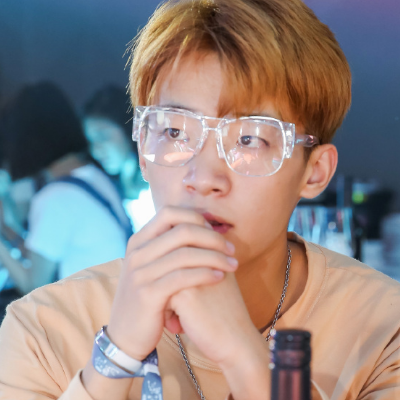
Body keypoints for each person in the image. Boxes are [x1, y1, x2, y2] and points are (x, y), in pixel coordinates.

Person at [0, 1, 399, 399]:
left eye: (249, 139)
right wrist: (117, 354)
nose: (204, 178)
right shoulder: (43, 328)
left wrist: (243, 354)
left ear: (314, 172)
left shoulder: (382, 329)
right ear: (143, 154)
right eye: (174, 133)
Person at [0, 82, 131, 296]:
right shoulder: (93, 175)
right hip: (117, 300)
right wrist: (6, 231)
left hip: (90, 311)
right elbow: (43, 253)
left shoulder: (54, 196)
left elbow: (32, 285)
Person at [83, 86, 154, 232]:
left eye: (103, 137)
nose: (96, 151)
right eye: (91, 142)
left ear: (129, 128)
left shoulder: (157, 180)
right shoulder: (103, 187)